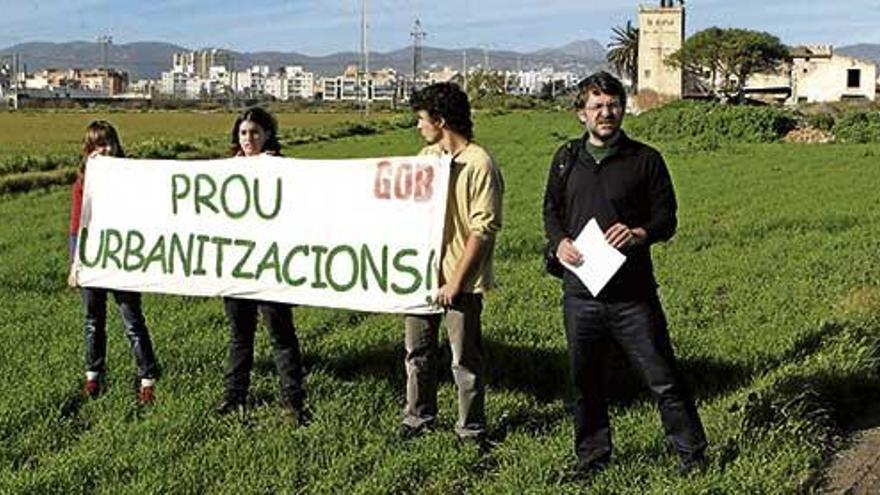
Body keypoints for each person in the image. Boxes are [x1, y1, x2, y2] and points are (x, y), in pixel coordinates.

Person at [542, 71, 707, 476]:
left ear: (623, 108)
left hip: (633, 294)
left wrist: (639, 234)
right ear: (581, 113)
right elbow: (551, 212)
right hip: (580, 292)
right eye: (596, 105)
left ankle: (693, 456)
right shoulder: (565, 159)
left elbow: (666, 218)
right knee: (586, 383)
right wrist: (558, 242)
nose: (606, 112)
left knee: (663, 377)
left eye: (613, 104)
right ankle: (592, 458)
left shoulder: (645, 159)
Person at [399, 82, 504, 446]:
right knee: (417, 352)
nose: (419, 126)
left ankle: (470, 429)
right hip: (421, 276)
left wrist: (456, 281)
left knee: (465, 359)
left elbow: (483, 229)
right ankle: (417, 417)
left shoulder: (479, 164)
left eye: (421, 119)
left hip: (461, 279)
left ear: (440, 120)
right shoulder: (426, 159)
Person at [214, 107, 308, 426]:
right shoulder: (227, 171)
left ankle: (292, 401)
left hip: (272, 266)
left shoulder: (282, 169)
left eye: (254, 132)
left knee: (281, 335)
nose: (248, 139)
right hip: (238, 266)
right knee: (240, 333)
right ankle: (234, 395)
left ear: (267, 134)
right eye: (243, 133)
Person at [68, 120, 160, 406]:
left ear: (117, 145)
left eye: (108, 143)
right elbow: (76, 225)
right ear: (88, 150)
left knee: (132, 320)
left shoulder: (131, 176)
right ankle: (93, 375)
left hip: (122, 260)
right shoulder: (83, 182)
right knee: (93, 322)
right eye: (97, 145)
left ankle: (147, 378)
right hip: (94, 259)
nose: (104, 150)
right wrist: (75, 263)